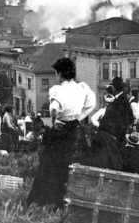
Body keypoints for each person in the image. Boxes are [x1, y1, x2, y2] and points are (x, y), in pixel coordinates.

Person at [26, 58, 96, 209]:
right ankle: (74, 201)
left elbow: (53, 108)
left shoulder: (58, 89)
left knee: (52, 165)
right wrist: (80, 117)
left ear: (59, 73)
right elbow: (92, 104)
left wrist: (54, 120)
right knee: (76, 165)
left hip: (61, 130)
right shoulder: (82, 87)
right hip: (77, 131)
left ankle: (49, 201)